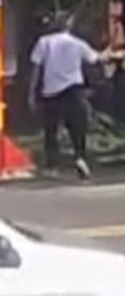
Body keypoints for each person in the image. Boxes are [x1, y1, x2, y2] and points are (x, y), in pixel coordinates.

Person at [28, 11, 102, 179]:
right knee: (77, 128)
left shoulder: (44, 42)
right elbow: (94, 59)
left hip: (51, 91)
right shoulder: (77, 43)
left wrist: (32, 92)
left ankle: (52, 165)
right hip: (74, 90)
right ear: (70, 25)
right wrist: (108, 53)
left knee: (51, 130)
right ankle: (80, 157)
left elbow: (36, 69)